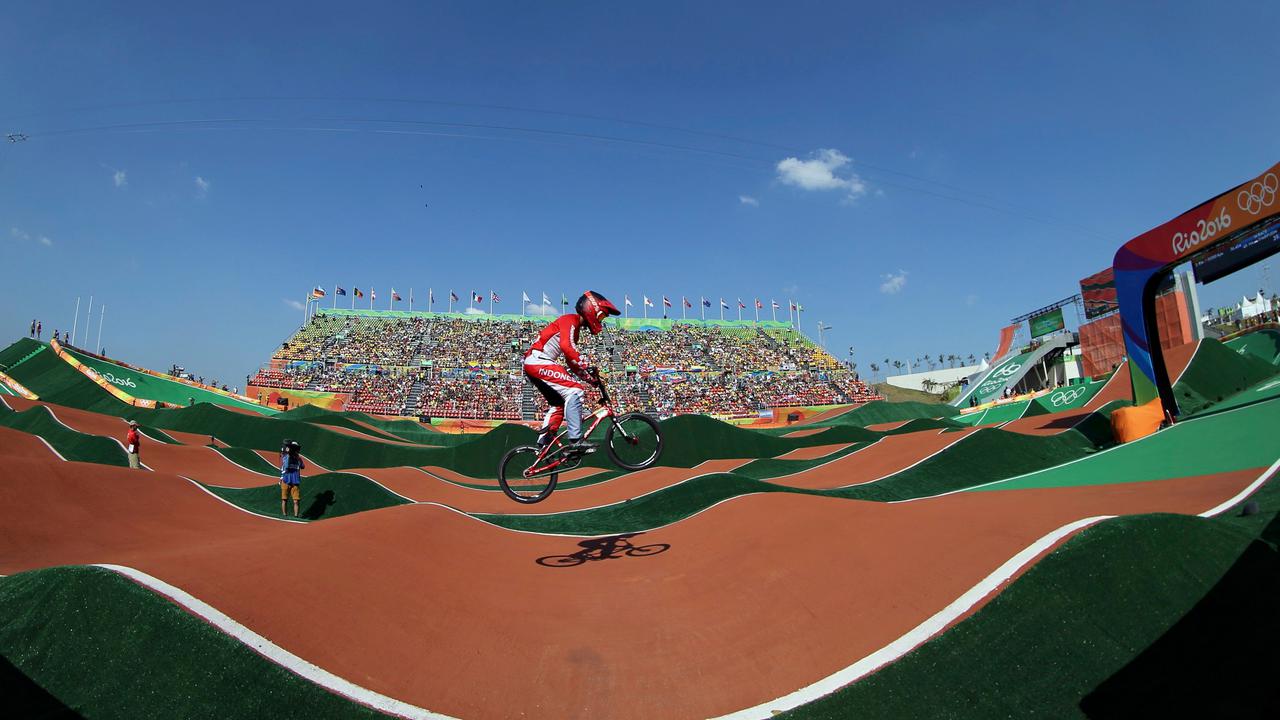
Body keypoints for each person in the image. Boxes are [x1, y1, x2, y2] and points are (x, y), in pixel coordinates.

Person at [523, 291, 620, 455]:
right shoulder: (570, 320)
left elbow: (571, 362)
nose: (601, 321)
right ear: (591, 310)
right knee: (575, 390)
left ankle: (542, 446)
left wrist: (590, 379)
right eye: (601, 316)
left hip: (535, 363)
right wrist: (587, 365)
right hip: (538, 360)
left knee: (559, 405)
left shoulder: (574, 330)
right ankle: (575, 440)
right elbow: (567, 348)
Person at [280, 440, 304, 517]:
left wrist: (298, 458)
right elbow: (285, 464)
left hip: (295, 481)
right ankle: (284, 515)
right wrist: (288, 453)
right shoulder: (285, 457)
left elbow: (303, 466)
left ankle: (296, 516)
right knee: (284, 499)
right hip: (286, 480)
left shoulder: (298, 458)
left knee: (296, 500)